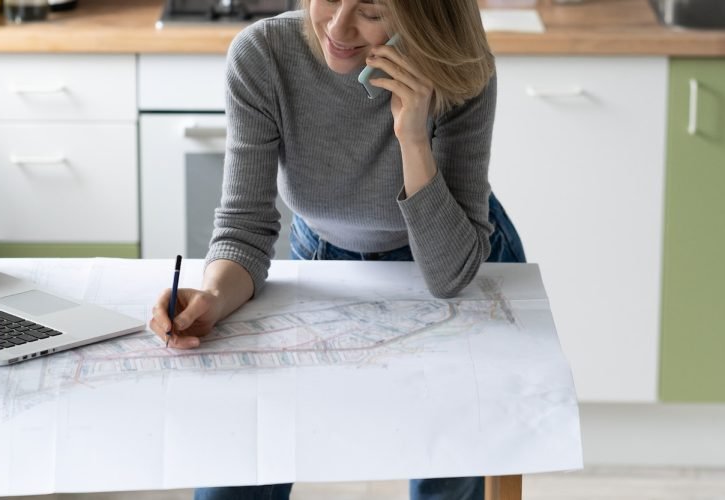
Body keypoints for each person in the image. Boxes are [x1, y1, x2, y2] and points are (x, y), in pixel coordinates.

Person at [149, 0, 526, 498]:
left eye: (370, 12)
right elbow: (244, 225)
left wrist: (412, 135)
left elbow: (448, 277)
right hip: (324, 254)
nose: (337, 26)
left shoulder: (460, 68)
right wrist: (214, 297)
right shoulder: (265, 54)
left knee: (447, 470)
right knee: (246, 457)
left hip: (450, 249)